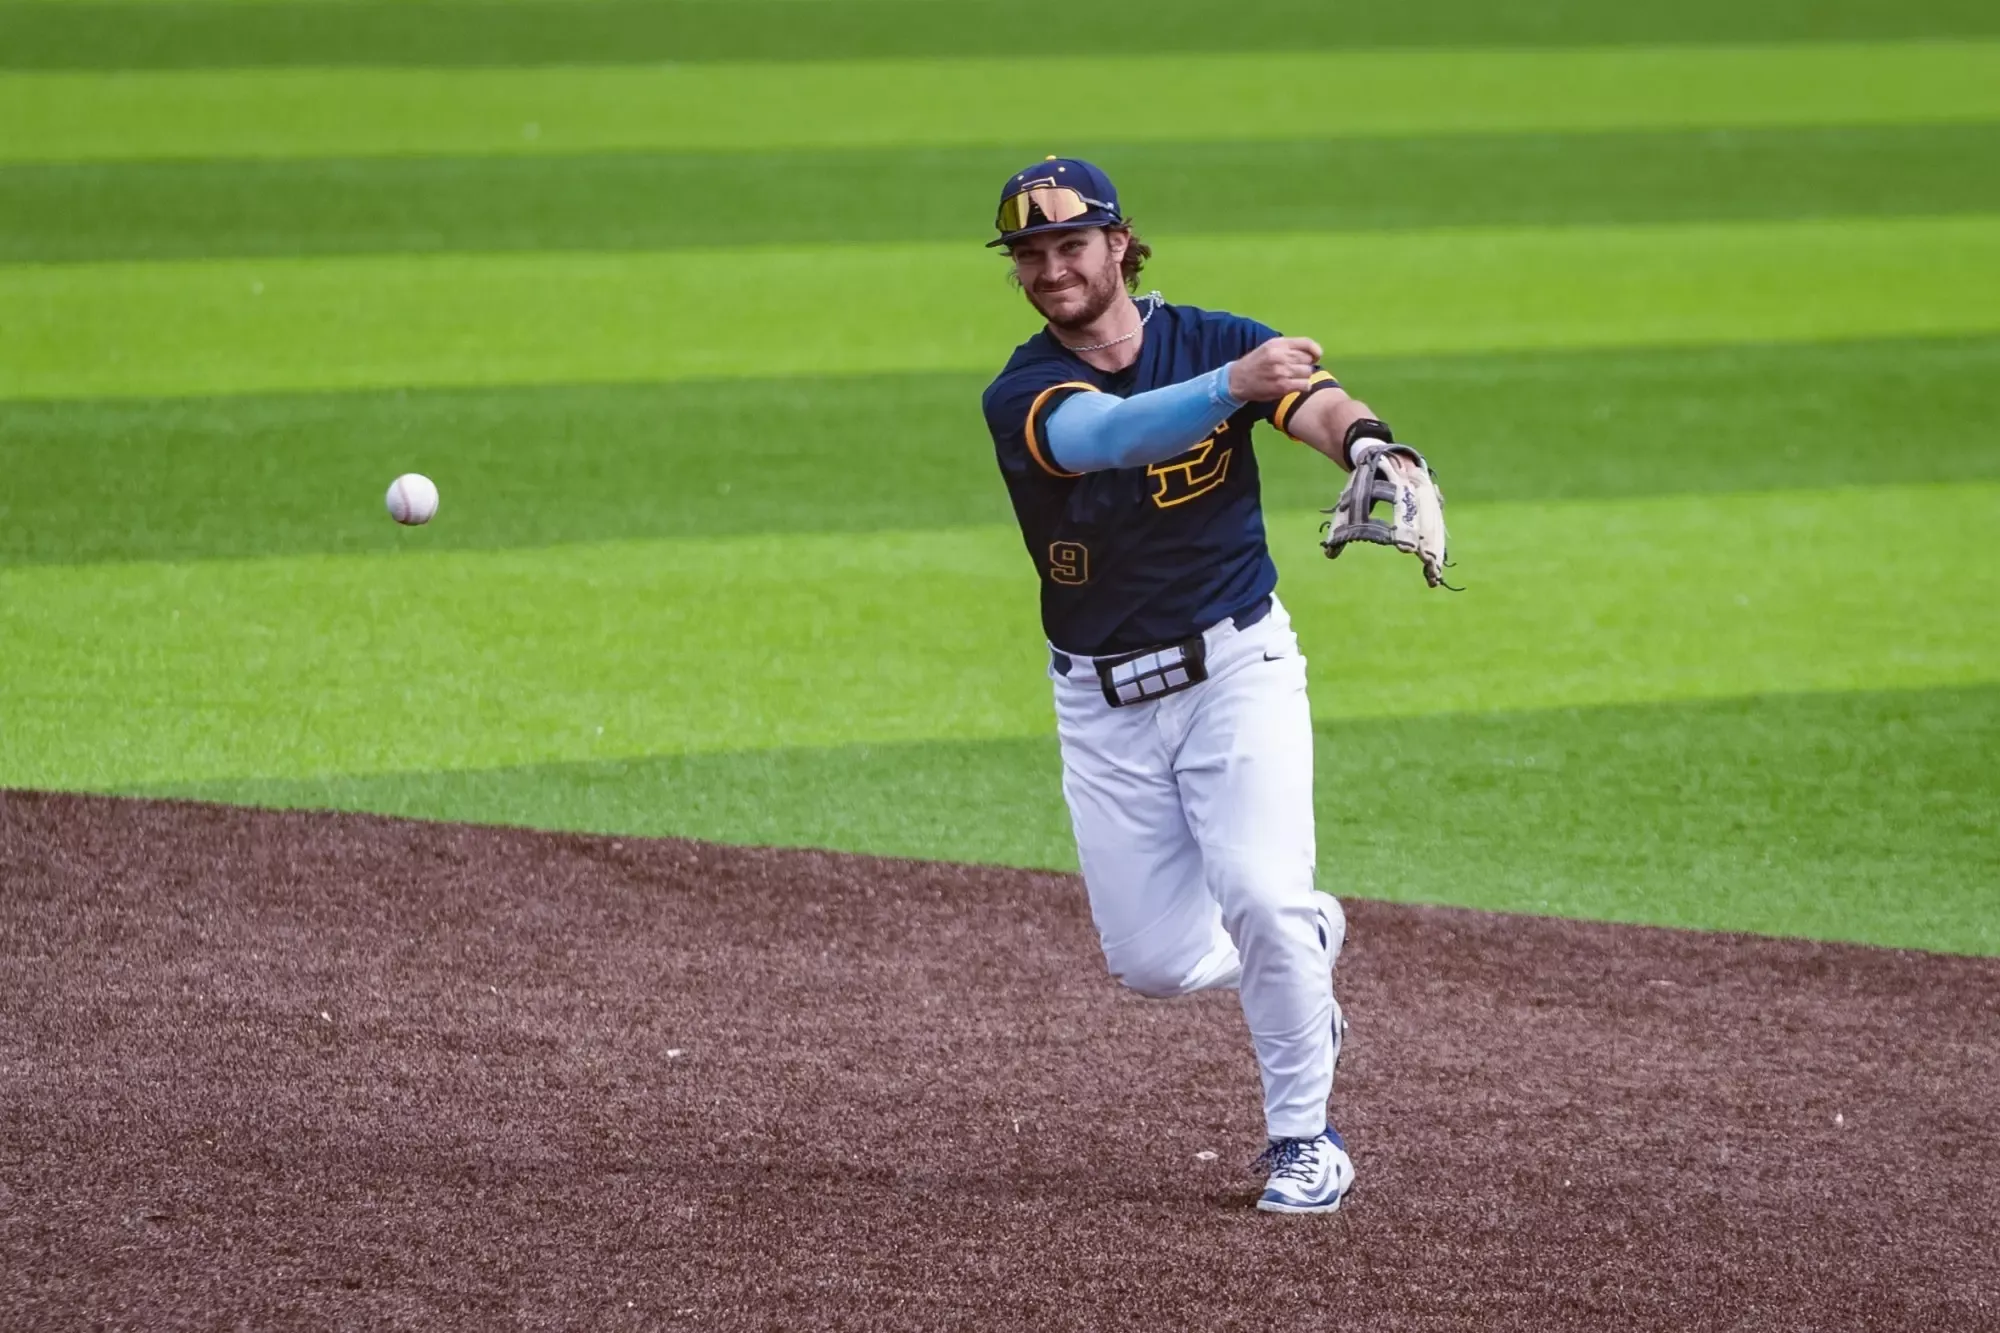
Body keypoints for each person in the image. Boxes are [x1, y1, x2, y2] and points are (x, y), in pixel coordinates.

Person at [980, 158, 1425, 1213]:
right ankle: (1301, 945)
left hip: (1237, 667)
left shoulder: (1216, 337)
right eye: (1030, 255)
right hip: (1099, 701)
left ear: (1119, 243)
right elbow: (1109, 435)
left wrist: (1370, 442)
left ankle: (1304, 1141)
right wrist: (1235, 385)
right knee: (1155, 963)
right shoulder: (1021, 390)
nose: (1051, 269)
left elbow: (1314, 401)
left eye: (1070, 245)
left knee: (1261, 897)